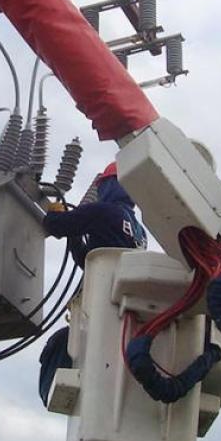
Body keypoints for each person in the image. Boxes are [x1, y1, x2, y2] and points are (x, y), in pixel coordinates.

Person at [37, 163, 147, 407]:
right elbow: (91, 260)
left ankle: (50, 394)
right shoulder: (140, 232)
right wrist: (76, 233)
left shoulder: (104, 212)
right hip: (122, 313)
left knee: (59, 345)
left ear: (107, 186)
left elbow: (54, 225)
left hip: (98, 307)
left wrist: (55, 212)